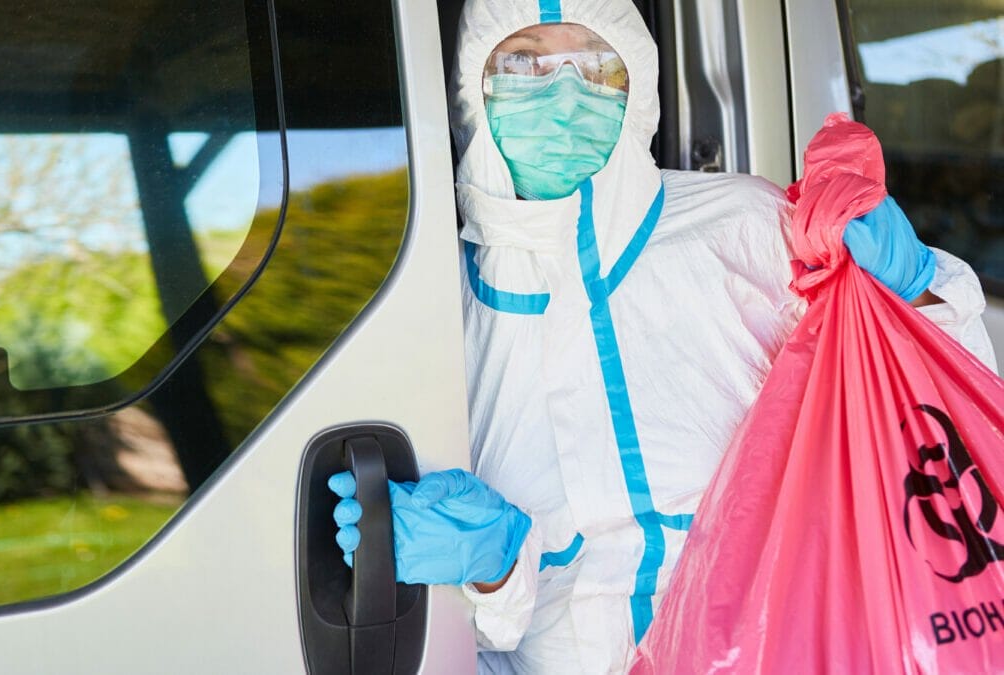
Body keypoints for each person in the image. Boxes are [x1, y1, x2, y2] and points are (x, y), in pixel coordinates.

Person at [330, 0, 999, 672]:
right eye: (525, 61)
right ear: (472, 83)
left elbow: (925, 419)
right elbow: (474, 640)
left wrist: (914, 291)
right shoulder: (438, 309)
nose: (564, 94)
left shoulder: (741, 228)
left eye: (594, 65)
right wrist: (497, 570)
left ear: (638, 83)